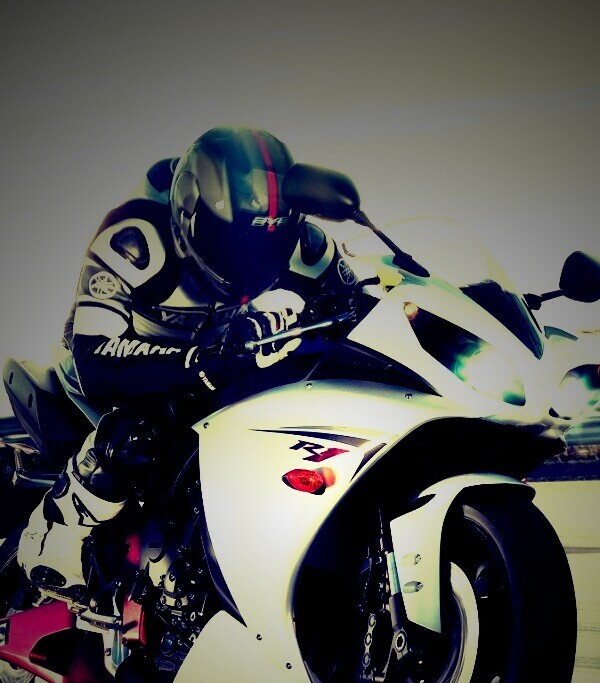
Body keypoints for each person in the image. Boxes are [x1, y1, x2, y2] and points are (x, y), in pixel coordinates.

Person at [17, 125, 359, 605]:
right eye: (232, 245)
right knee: (138, 431)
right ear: (190, 216)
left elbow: (356, 298)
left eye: (265, 249)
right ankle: (53, 536)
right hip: (111, 370)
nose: (249, 264)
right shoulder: (135, 239)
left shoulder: (299, 241)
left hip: (215, 362)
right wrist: (201, 362)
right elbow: (95, 363)